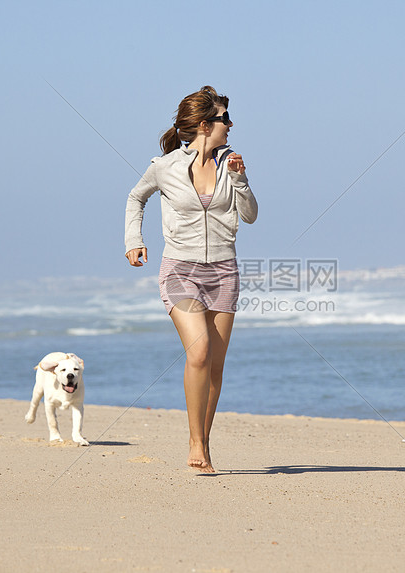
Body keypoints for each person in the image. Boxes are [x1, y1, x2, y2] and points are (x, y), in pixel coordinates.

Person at [124, 86, 258, 473]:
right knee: (198, 353)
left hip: (223, 271)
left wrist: (242, 180)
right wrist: (134, 240)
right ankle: (195, 441)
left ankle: (206, 440)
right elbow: (137, 198)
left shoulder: (231, 162)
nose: (230, 126)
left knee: (214, 365)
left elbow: (249, 215)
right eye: (223, 119)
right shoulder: (164, 166)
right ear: (204, 125)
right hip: (180, 270)